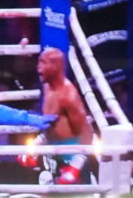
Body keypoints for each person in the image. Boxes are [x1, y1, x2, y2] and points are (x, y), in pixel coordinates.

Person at [37, 47, 93, 184]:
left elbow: (86, 131)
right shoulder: (47, 87)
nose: (39, 68)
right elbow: (53, 122)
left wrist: (76, 166)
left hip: (72, 158)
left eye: (43, 63)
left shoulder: (69, 95)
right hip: (53, 155)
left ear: (56, 66)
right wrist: (38, 142)